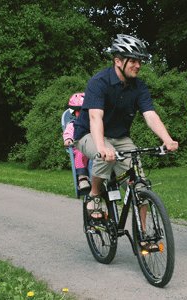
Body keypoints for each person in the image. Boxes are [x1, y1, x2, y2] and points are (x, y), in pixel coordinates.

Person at [73, 34, 178, 222]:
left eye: (140, 62)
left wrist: (167, 139)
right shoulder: (99, 82)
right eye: (134, 61)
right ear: (118, 61)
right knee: (104, 155)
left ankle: (144, 239)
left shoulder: (139, 86)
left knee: (141, 187)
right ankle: (95, 194)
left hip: (120, 138)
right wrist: (102, 147)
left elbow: (150, 115)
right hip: (88, 134)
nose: (138, 66)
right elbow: (95, 117)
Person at [62, 92, 90, 193]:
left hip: (93, 148)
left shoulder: (94, 123)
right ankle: (82, 178)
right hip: (79, 148)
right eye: (80, 112)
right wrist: (68, 140)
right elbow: (67, 134)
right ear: (75, 112)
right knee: (80, 152)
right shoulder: (72, 125)